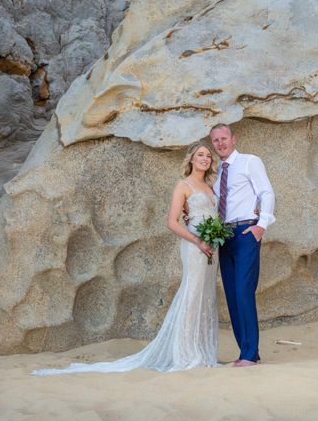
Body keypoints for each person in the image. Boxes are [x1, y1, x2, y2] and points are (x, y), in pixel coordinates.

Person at [32, 141, 220, 374]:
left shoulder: (211, 186)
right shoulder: (183, 185)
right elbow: (172, 222)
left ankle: (202, 350)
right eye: (200, 154)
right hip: (195, 246)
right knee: (192, 292)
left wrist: (215, 236)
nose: (205, 158)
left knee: (206, 293)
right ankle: (185, 353)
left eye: (208, 156)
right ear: (191, 158)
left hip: (213, 247)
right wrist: (197, 241)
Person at [209, 123, 276, 367]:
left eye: (224, 138)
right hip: (224, 236)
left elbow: (266, 193)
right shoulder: (217, 174)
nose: (220, 144)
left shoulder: (250, 161)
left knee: (242, 291)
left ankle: (249, 354)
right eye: (215, 140)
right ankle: (247, 353)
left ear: (233, 139)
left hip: (246, 231)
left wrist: (261, 226)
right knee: (231, 294)